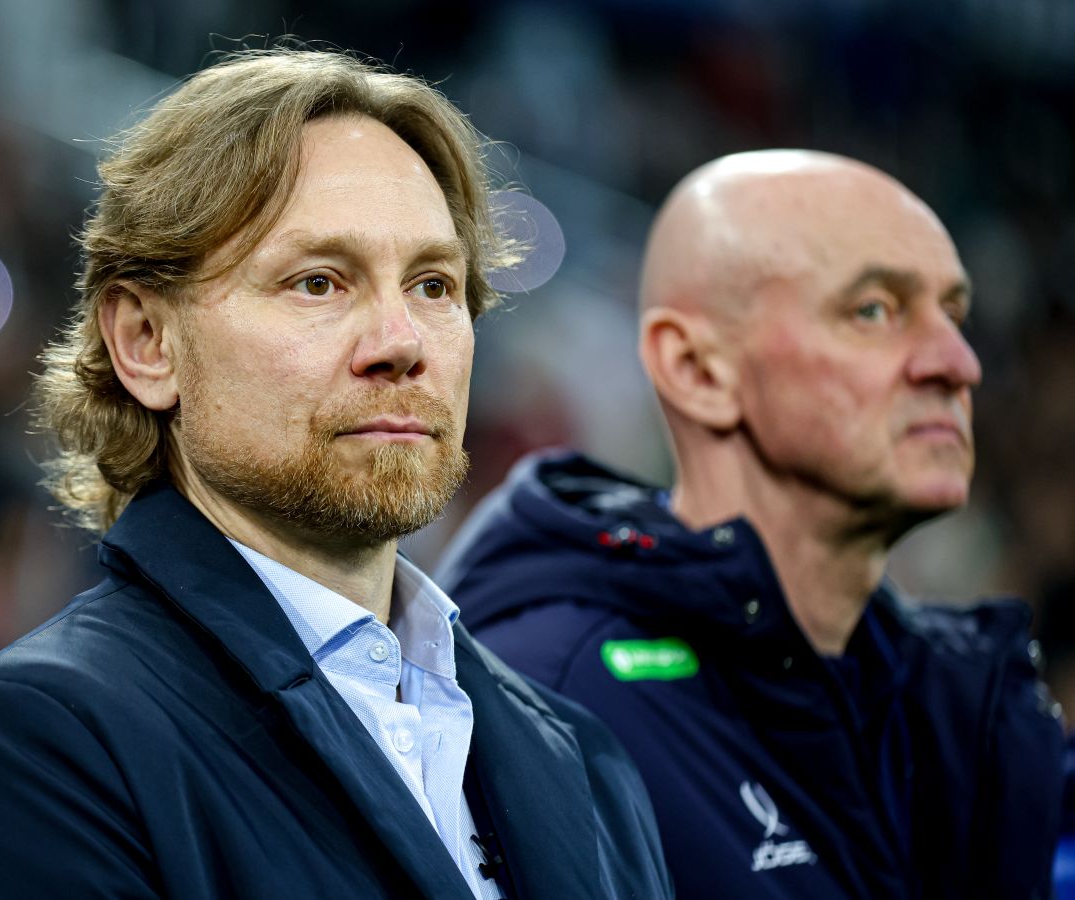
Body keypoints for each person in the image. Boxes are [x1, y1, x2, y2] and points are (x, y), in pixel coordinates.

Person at [0, 49, 672, 900]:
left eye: (434, 285)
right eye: (319, 282)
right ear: (146, 342)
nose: (401, 341)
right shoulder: (32, 751)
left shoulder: (588, 767)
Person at [438, 150, 1064, 900]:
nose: (957, 363)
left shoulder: (964, 700)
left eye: (954, 316)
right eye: (874, 310)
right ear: (697, 368)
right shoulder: (536, 704)